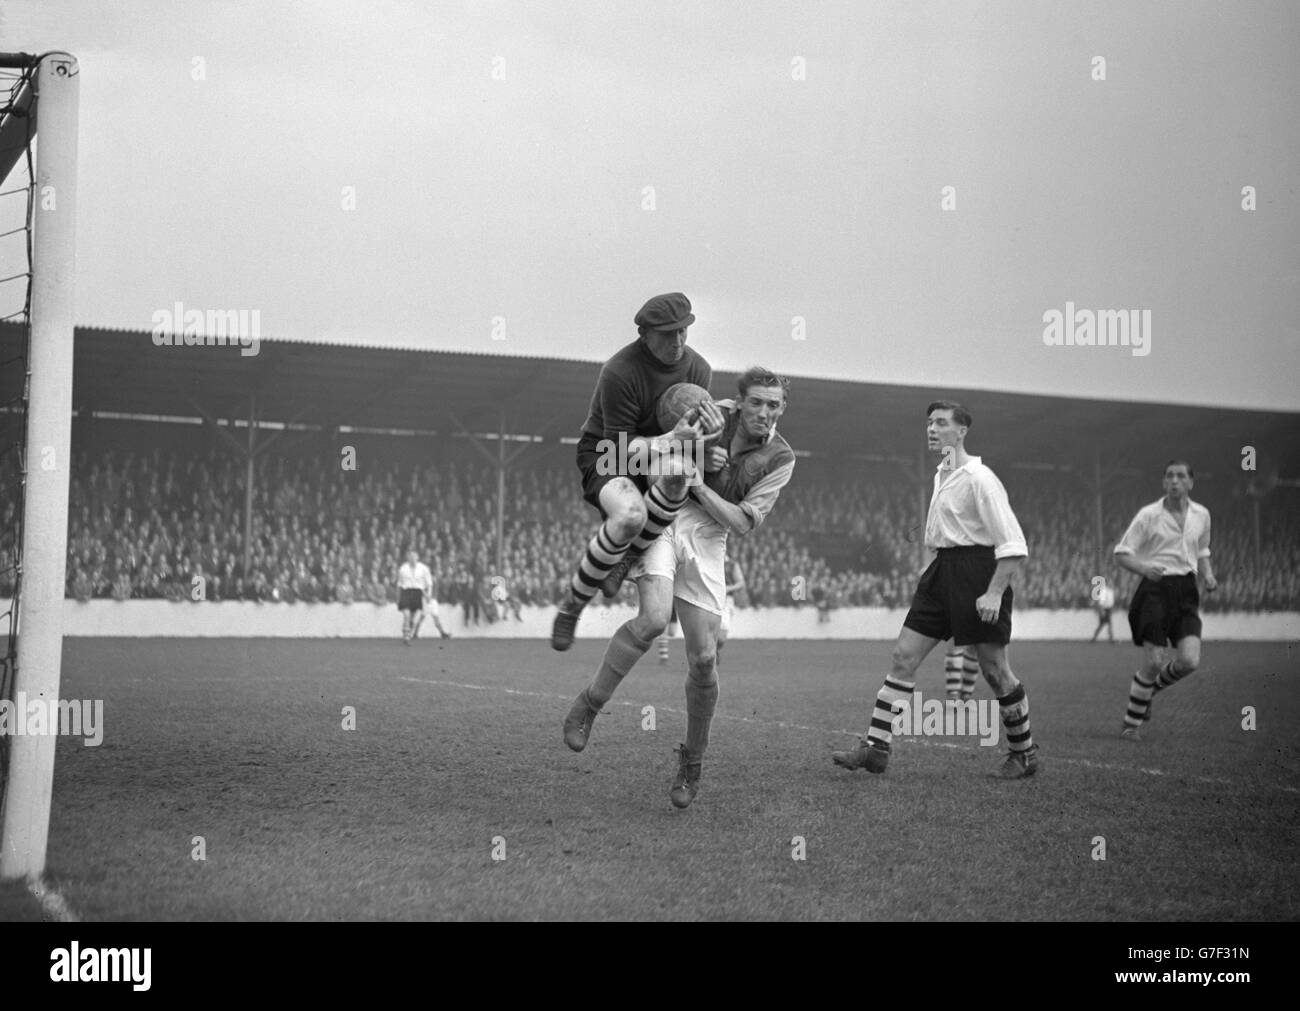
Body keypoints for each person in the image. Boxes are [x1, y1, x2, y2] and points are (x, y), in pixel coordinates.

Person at [562, 367, 795, 809]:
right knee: (651, 620)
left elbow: (743, 521)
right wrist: (693, 453)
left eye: (774, 405)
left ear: (782, 408)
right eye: (757, 402)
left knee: (705, 659)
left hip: (712, 536)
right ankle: (590, 704)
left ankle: (693, 760)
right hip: (665, 515)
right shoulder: (706, 412)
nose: (764, 412)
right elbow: (644, 454)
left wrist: (701, 485)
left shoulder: (782, 459)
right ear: (739, 401)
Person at [832, 401, 1038, 779]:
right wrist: (930, 571)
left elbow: (1012, 545)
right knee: (903, 656)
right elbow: (941, 535)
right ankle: (876, 748)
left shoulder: (980, 479)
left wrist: (993, 593)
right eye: (929, 422)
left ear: (961, 432)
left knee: (994, 669)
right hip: (942, 572)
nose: (932, 429)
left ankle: (1023, 753)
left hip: (979, 573)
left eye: (941, 423)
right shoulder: (941, 474)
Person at [550, 293, 724, 651]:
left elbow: (695, 443)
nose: (677, 342)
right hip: (607, 453)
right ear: (644, 334)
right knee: (630, 515)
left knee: (679, 475)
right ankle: (572, 605)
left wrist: (713, 434)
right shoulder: (620, 371)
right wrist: (676, 438)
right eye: (667, 334)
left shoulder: (699, 369)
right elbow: (620, 453)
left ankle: (627, 557)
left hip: (663, 450)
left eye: (683, 332)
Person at [1114, 460, 1215, 739]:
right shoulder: (1149, 515)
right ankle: (1130, 726)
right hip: (1155, 590)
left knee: (1189, 661)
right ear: (1163, 482)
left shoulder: (1202, 515)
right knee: (1155, 661)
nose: (1174, 481)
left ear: (1190, 482)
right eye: (1169, 476)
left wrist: (1207, 575)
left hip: (1187, 589)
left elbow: (1203, 550)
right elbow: (1122, 553)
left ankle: (1147, 693)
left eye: (1181, 476)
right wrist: (1145, 568)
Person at [395, 549, 442, 644]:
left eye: (414, 556)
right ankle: (406, 637)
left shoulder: (423, 568)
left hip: (417, 593)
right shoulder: (403, 568)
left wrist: (428, 594)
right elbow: (399, 584)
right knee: (406, 615)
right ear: (407, 557)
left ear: (417, 557)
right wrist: (398, 598)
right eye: (410, 556)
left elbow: (429, 583)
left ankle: (407, 629)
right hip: (406, 592)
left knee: (413, 617)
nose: (412, 558)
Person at [715, 557, 746, 670]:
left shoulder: (731, 564)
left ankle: (714, 650)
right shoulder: (708, 559)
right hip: (709, 598)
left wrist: (728, 588)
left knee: (721, 638)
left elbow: (741, 583)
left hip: (726, 600)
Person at [1090, 575, 1117, 643]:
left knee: (1104, 624)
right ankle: (1110, 638)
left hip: (1108, 609)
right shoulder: (1104, 591)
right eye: (1110, 582)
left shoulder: (1111, 591)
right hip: (1104, 609)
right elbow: (1101, 602)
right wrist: (1102, 611)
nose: (1111, 583)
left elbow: (1111, 601)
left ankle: (1095, 638)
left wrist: (1112, 608)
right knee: (1105, 624)